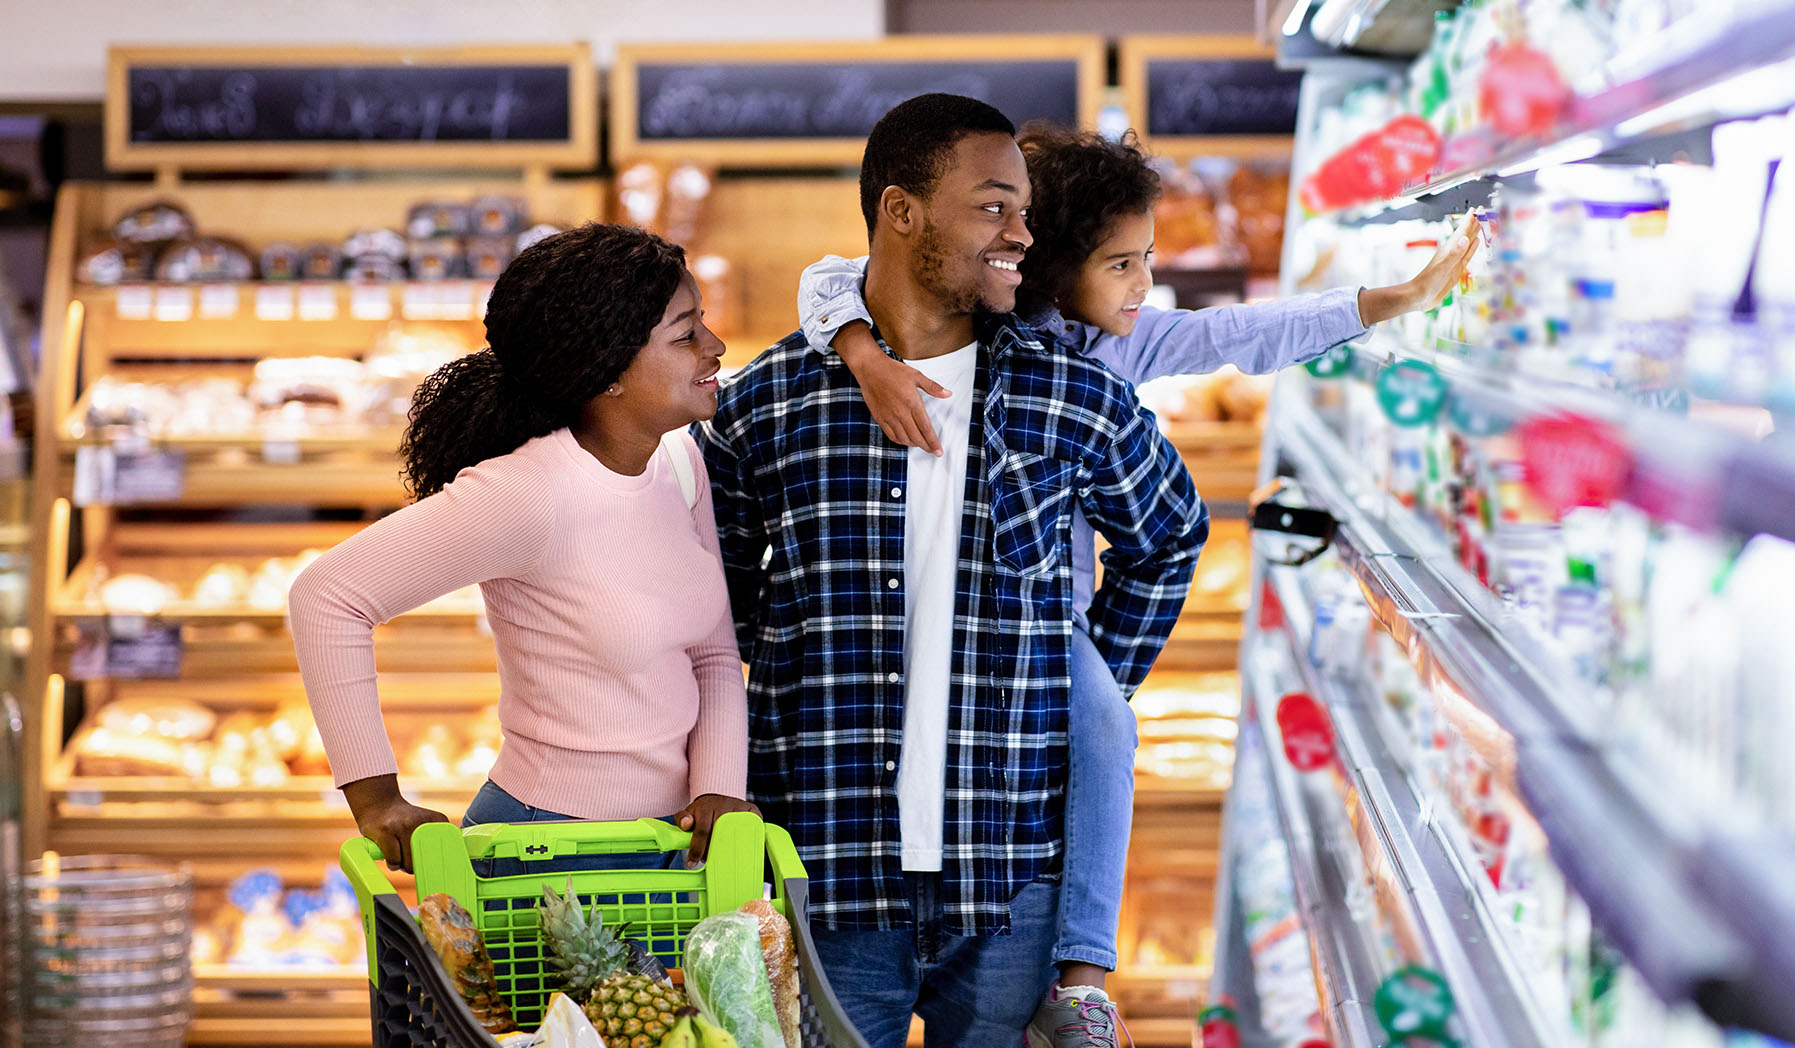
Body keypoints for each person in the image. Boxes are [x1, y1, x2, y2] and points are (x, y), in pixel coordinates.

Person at [798, 123, 1481, 1046]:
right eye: (1121, 264)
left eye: (1145, 260)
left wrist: (1386, 301)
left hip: (1048, 623)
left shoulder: (1117, 348)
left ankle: (1081, 970)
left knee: (1106, 726)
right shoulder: (968, 317)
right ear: (1049, 261)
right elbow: (830, 276)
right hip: (924, 620)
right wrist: (860, 352)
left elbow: (1240, 333)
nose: (1143, 285)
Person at [701, 94, 1208, 1048]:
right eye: (992, 207)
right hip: (827, 871)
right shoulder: (766, 406)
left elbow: (1170, 536)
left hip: (1011, 874)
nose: (1023, 232)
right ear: (901, 212)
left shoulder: (1074, 397)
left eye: (1023, 208)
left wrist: (1078, 679)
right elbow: (713, 616)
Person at [289, 223, 755, 875]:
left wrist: (719, 792)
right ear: (608, 372)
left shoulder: (678, 461)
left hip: (670, 847)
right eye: (685, 334)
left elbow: (712, 652)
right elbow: (326, 597)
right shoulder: (529, 493)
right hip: (549, 851)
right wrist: (376, 799)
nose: (715, 347)